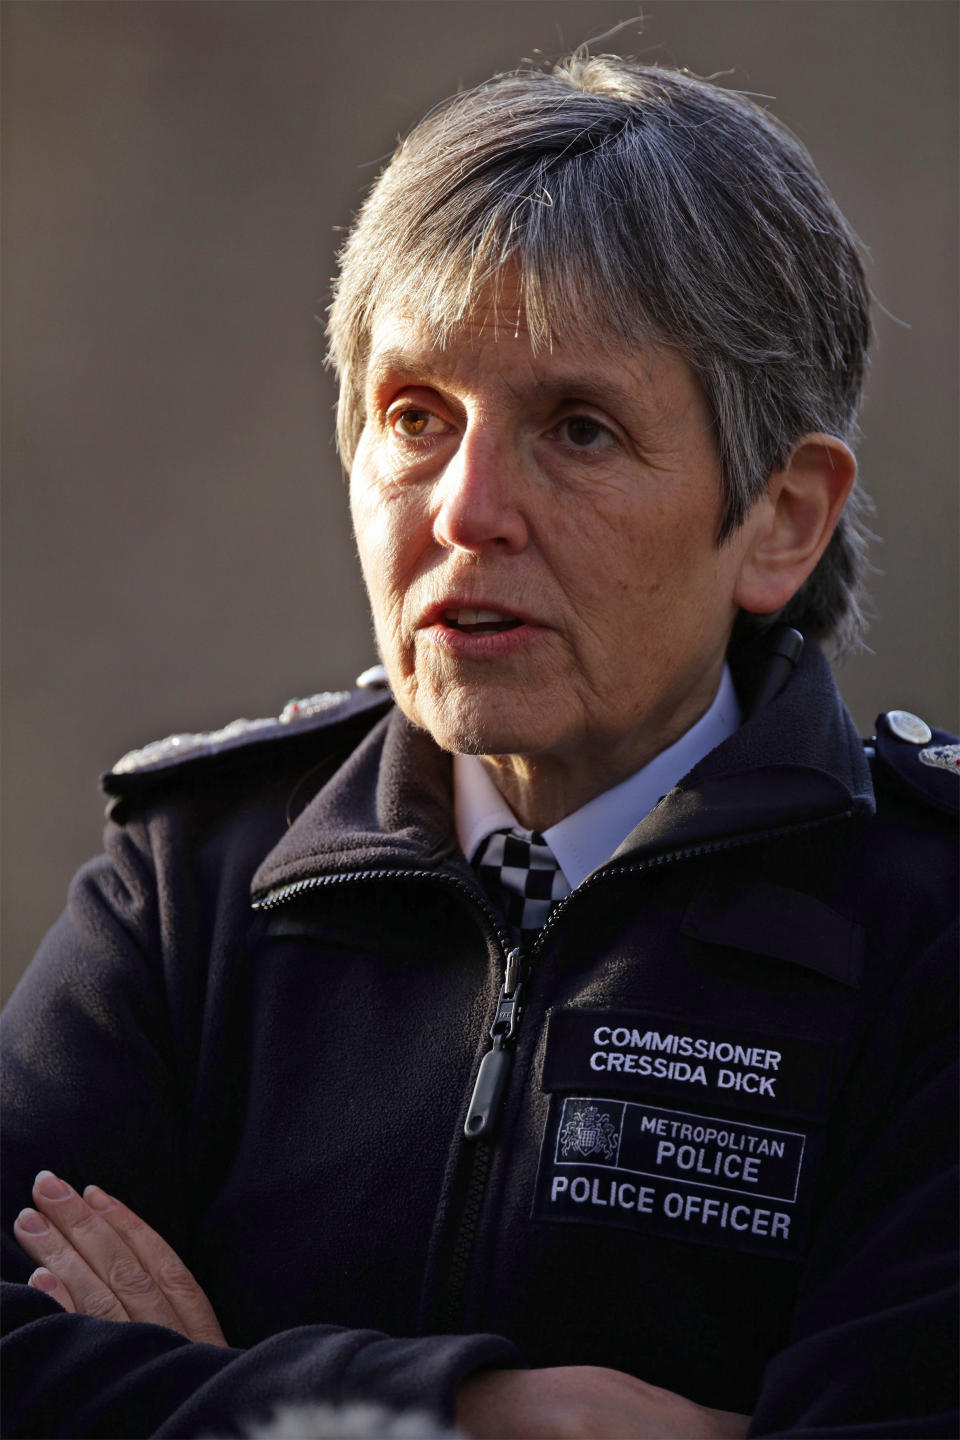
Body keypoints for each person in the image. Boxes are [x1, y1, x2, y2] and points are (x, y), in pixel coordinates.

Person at [2, 52, 956, 1440]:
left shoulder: (927, 939)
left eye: (578, 428)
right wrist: (473, 1415)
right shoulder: (196, 884)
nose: (467, 510)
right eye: (415, 419)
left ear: (782, 519)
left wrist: (193, 1393)